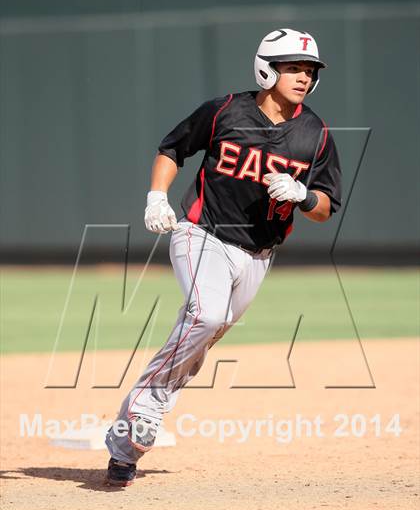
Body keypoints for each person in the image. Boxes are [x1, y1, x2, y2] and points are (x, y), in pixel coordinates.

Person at [105, 28, 342, 486]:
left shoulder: (316, 133)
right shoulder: (224, 111)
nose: (303, 77)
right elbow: (172, 148)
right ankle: (142, 411)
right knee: (205, 316)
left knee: (197, 344)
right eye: (293, 67)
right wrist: (157, 196)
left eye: (309, 70)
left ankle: (126, 446)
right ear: (266, 69)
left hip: (258, 256)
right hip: (202, 234)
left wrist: (304, 195)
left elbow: (326, 208)